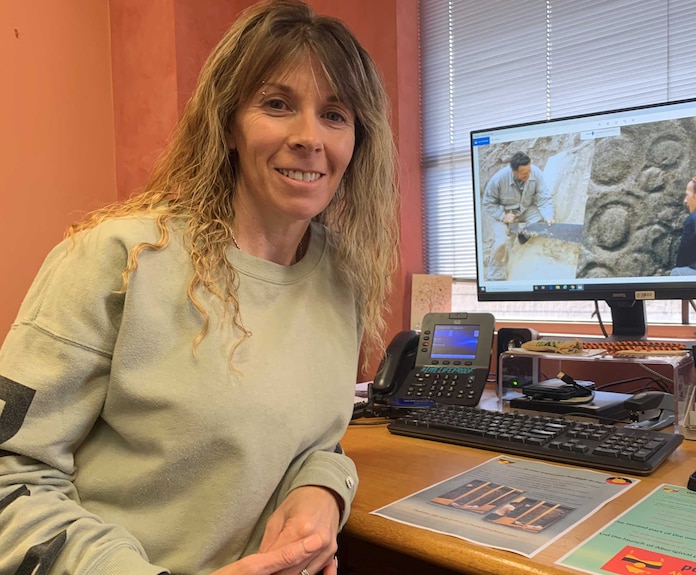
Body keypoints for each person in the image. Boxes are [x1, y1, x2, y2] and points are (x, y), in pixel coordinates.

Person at [0, 1, 399, 574]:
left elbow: (317, 441)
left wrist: (324, 490)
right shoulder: (118, 260)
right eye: (278, 105)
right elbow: (10, 477)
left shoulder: (343, 277)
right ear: (228, 124)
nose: (310, 137)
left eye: (335, 115)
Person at [482, 152, 555, 280]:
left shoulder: (535, 173)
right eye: (524, 173)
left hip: (526, 210)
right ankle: (495, 276)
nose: (529, 175)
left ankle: (523, 234)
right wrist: (502, 216)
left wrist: (548, 215)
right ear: (514, 172)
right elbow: (488, 203)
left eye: (529, 170)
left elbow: (544, 197)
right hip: (505, 213)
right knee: (501, 243)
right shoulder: (498, 180)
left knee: (539, 223)